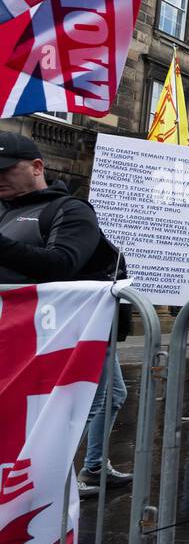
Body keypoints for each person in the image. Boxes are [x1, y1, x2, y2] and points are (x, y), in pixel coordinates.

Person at [0, 132, 134, 493]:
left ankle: (67, 473)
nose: (0, 177)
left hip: (75, 330)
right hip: (27, 335)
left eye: (7, 169)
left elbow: (60, 264)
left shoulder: (69, 209)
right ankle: (55, 476)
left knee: (97, 399)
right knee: (98, 398)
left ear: (37, 167)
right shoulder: (4, 212)